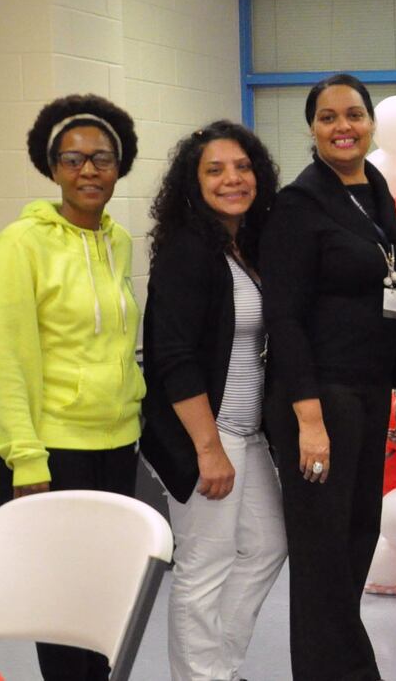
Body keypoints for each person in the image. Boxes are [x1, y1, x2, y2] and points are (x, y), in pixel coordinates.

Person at [0, 93, 142, 681]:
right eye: (72, 160)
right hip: (48, 452)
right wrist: (25, 458)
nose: (88, 171)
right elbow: (7, 360)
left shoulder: (118, 242)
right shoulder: (20, 243)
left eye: (102, 158)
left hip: (116, 444)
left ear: (120, 167)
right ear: (51, 169)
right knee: (62, 611)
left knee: (103, 602)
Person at [260, 74, 396, 681]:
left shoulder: (372, 188)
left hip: (368, 391)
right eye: (328, 117)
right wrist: (309, 419)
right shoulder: (298, 205)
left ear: (371, 122)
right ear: (312, 129)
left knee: (357, 538)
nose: (342, 126)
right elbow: (286, 319)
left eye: (353, 114)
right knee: (323, 555)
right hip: (318, 396)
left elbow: (390, 291)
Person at [141, 121, 287, 681]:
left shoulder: (240, 247)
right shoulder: (187, 250)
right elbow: (173, 355)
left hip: (245, 433)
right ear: (192, 183)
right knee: (204, 566)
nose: (232, 179)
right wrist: (208, 447)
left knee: (268, 547)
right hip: (208, 431)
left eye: (242, 167)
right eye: (215, 170)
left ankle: (217, 668)